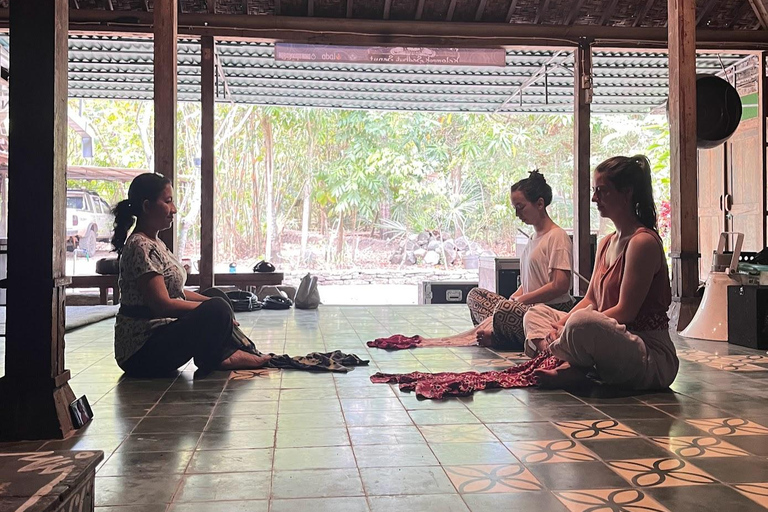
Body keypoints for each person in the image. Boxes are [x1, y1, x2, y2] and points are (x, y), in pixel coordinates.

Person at [523, 155, 678, 390]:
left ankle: (566, 360)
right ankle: (570, 361)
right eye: (595, 191)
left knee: (583, 322)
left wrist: (570, 328)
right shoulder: (607, 242)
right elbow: (591, 299)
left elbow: (625, 311)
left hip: (645, 352)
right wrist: (561, 324)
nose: (595, 198)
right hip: (605, 337)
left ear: (626, 193)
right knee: (535, 315)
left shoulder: (642, 242)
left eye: (601, 191)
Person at [112, 173, 270, 377]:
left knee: (218, 298)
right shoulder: (139, 246)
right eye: (168, 202)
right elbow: (162, 305)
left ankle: (223, 352)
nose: (174, 210)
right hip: (141, 351)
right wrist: (213, 311)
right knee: (217, 308)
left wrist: (215, 305)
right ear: (147, 206)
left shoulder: (155, 243)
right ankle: (219, 357)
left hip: (160, 337)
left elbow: (175, 292)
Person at [465, 170, 574, 350]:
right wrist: (516, 296)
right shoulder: (532, 238)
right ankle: (503, 333)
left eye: (520, 207)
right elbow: (529, 281)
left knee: (506, 311)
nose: (517, 214)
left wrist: (520, 301)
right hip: (526, 306)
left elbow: (559, 285)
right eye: (515, 208)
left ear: (540, 204)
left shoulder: (557, 236)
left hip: (547, 310)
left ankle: (501, 337)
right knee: (475, 296)